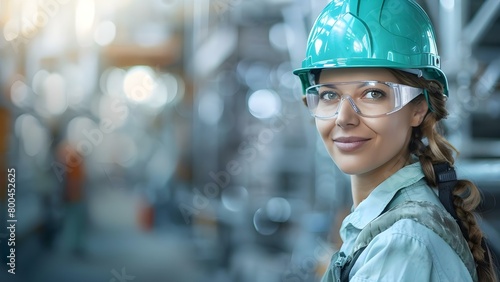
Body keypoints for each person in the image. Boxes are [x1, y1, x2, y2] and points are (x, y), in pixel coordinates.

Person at [292, 0, 498, 281]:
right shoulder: (384, 227)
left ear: (418, 108)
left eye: (373, 93)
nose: (344, 117)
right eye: (329, 95)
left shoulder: (402, 244)